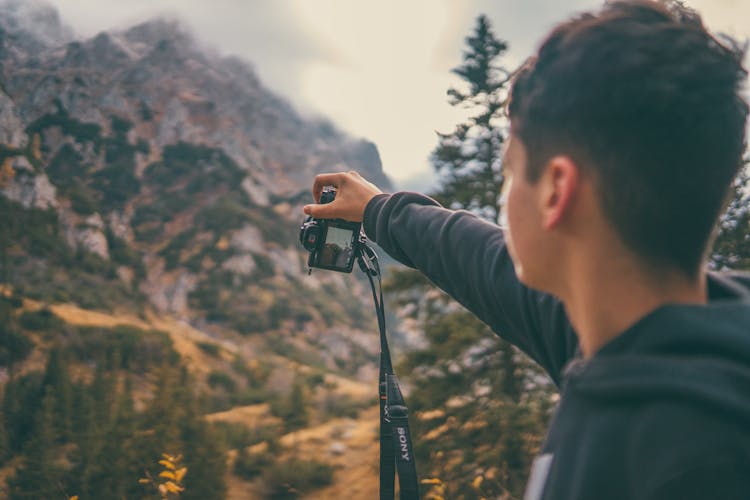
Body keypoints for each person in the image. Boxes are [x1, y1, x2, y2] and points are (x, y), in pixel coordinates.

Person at [303, 1, 750, 498]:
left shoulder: (689, 465)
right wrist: (379, 210)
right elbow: (479, 259)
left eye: (509, 171)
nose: (504, 193)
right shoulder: (634, 339)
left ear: (556, 191)